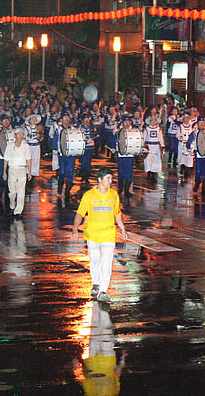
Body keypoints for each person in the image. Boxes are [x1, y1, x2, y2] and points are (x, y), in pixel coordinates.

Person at [72, 167, 128, 303]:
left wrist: (122, 228)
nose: (110, 181)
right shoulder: (89, 195)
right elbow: (80, 213)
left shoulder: (114, 195)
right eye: (108, 178)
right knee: (95, 261)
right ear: (100, 179)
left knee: (107, 263)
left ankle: (103, 291)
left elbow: (117, 213)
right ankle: (96, 284)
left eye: (111, 178)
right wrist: (75, 229)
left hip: (109, 234)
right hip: (92, 234)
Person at [3, 127, 32, 218]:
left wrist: (29, 171)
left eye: (22, 134)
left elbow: (28, 159)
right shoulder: (10, 146)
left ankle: (18, 210)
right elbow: (6, 159)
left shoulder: (26, 146)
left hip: (22, 169)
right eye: (19, 134)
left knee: (21, 190)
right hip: (12, 169)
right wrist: (4, 172)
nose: (20, 136)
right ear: (15, 135)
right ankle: (12, 204)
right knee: (12, 191)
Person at [188, 118, 205, 195]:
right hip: (198, 154)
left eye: (203, 123)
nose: (201, 125)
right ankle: (197, 183)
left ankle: (204, 189)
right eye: (200, 123)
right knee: (198, 171)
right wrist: (190, 149)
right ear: (197, 124)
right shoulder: (194, 133)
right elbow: (188, 143)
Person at [116, 118, 135, 197]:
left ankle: (127, 190)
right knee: (120, 172)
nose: (127, 124)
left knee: (128, 172)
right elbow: (115, 141)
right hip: (120, 155)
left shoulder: (133, 132)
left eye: (128, 122)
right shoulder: (119, 131)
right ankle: (120, 189)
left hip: (130, 155)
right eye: (125, 122)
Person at [143, 116, 164, 182]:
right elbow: (144, 138)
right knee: (148, 159)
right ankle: (149, 173)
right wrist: (143, 146)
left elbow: (161, 139)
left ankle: (154, 173)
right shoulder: (146, 129)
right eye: (152, 121)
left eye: (155, 120)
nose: (153, 122)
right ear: (149, 121)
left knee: (156, 159)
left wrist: (162, 147)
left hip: (156, 147)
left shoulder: (159, 129)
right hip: (148, 146)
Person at [177, 114, 194, 178]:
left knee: (189, 157)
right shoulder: (180, 126)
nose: (186, 120)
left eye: (188, 118)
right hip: (182, 144)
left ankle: (187, 170)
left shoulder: (191, 127)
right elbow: (178, 135)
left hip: (189, 144)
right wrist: (181, 138)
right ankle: (182, 168)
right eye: (185, 119)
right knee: (182, 157)